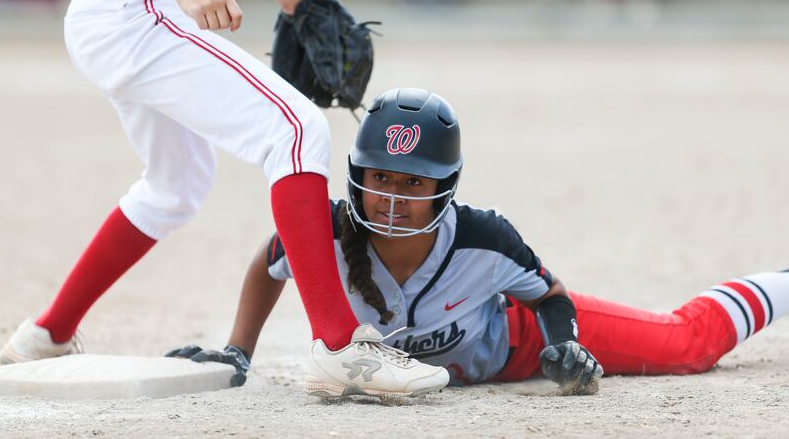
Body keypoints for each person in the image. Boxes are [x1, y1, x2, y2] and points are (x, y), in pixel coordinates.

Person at [0, 0, 449, 398]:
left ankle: (47, 333)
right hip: (140, 2)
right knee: (297, 130)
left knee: (176, 186)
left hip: (133, 7)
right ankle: (340, 346)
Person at [176, 87, 789, 397]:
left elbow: (549, 293)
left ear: (445, 188)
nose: (393, 197)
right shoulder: (327, 232)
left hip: (515, 347)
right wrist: (238, 350)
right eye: (381, 178)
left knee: (685, 345)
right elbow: (269, 262)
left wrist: (564, 345)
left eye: (413, 183)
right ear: (356, 175)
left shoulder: (483, 237)